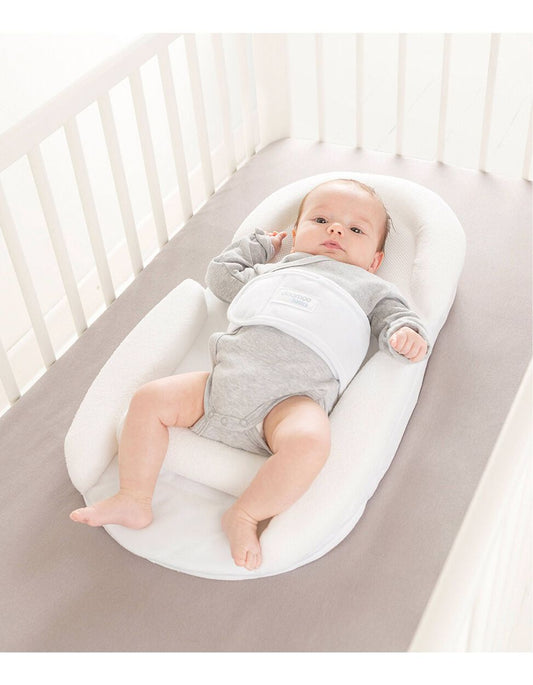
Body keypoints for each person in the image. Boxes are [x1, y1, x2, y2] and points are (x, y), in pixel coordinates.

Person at [70, 179, 430, 571]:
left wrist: (404, 334)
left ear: (375, 260)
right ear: (295, 234)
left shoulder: (371, 289)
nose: (336, 229)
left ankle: (244, 514)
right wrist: (261, 246)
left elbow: (396, 317)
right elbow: (222, 277)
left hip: (290, 405)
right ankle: (133, 497)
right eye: (321, 220)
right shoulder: (271, 272)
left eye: (356, 229)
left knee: (310, 442)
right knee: (149, 399)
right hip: (219, 388)